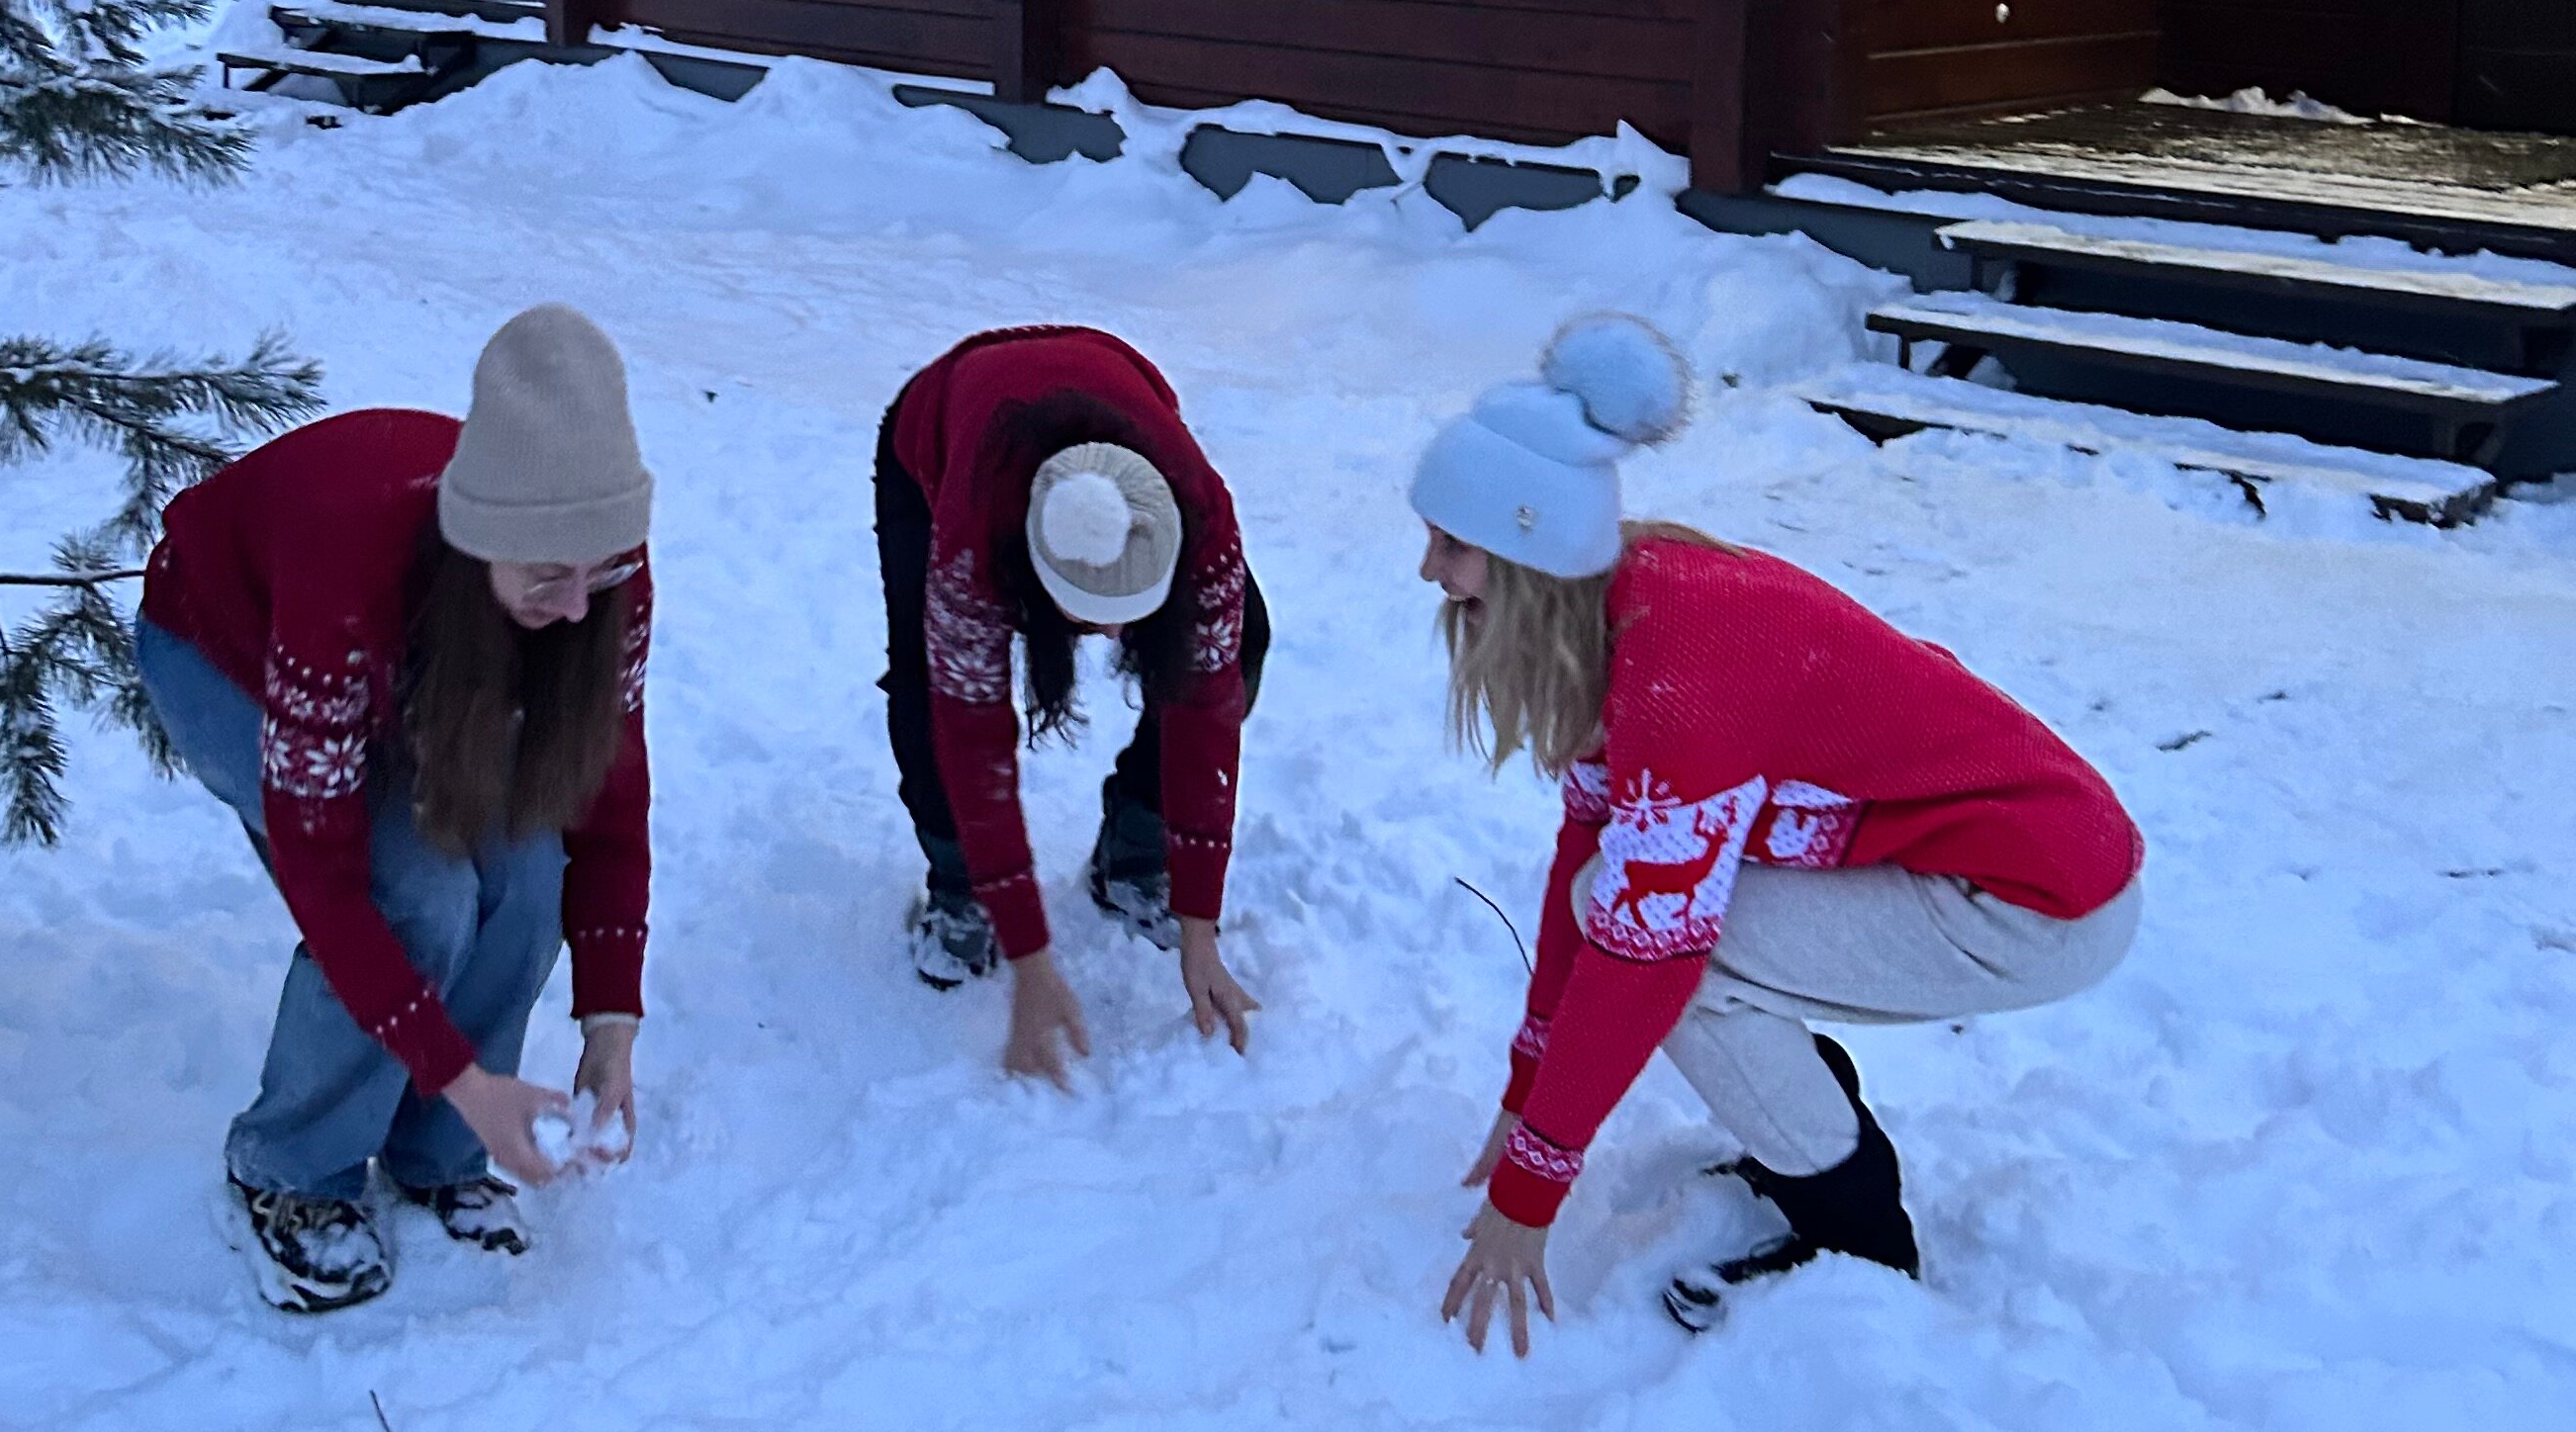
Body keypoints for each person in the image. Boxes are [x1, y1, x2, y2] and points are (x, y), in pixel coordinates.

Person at [1413, 313, 2144, 1353]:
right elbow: (1592, 851)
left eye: (1452, 545)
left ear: (1527, 551)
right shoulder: (1621, 601)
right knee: (1636, 916)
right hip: (2005, 863)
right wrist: (1528, 1090)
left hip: (2032, 903)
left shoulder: (1679, 678)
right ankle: (1806, 1134)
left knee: (1677, 965)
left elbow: (1641, 953)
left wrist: (1530, 1195)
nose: (1429, 572)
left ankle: (1856, 1234)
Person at [135, 304, 655, 1313]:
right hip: (224, 652)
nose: (582, 608)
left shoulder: (598, 572)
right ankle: (290, 1173)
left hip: (424, 674)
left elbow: (609, 794)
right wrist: (461, 1069)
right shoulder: (350, 563)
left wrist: (612, 1015)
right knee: (413, 889)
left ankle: (443, 1152)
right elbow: (327, 880)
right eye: (549, 577)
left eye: (605, 572)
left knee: (530, 876)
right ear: (481, 543)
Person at [874, 323, 1266, 1083]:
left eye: (1136, 611)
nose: (1117, 636)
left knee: (1238, 646)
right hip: (943, 432)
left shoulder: (1204, 518)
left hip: (1109, 378)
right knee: (929, 689)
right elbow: (973, 739)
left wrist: (1199, 929)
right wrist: (1030, 958)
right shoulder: (975, 543)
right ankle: (961, 890)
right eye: (1094, 617)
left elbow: (1207, 717)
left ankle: (1137, 849)